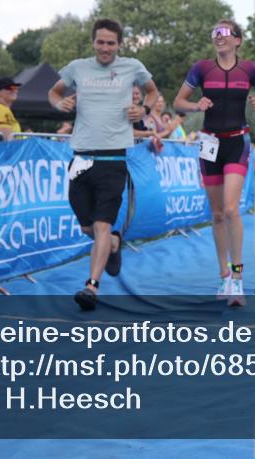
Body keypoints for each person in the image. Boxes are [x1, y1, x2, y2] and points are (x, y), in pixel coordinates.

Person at [48, 18, 159, 311]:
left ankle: (91, 287)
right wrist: (60, 103)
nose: (105, 48)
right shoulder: (77, 68)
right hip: (81, 159)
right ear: (93, 42)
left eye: (111, 43)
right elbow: (54, 92)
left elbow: (153, 92)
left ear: (119, 44)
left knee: (101, 225)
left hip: (113, 159)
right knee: (88, 228)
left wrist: (144, 109)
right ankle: (113, 243)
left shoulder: (132, 67)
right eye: (101, 42)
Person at [174, 19, 255, 307]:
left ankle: (238, 277)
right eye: (214, 32)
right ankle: (224, 276)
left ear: (237, 40)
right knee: (217, 214)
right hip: (209, 144)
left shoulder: (250, 69)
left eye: (224, 32)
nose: (218, 36)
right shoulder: (202, 68)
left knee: (231, 209)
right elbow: (178, 102)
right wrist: (196, 105)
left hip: (237, 142)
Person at [0, 77, 24, 141]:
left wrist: (26, 137)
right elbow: (8, 140)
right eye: (9, 88)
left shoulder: (4, 109)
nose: (14, 90)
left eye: (15, 88)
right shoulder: (0, 109)